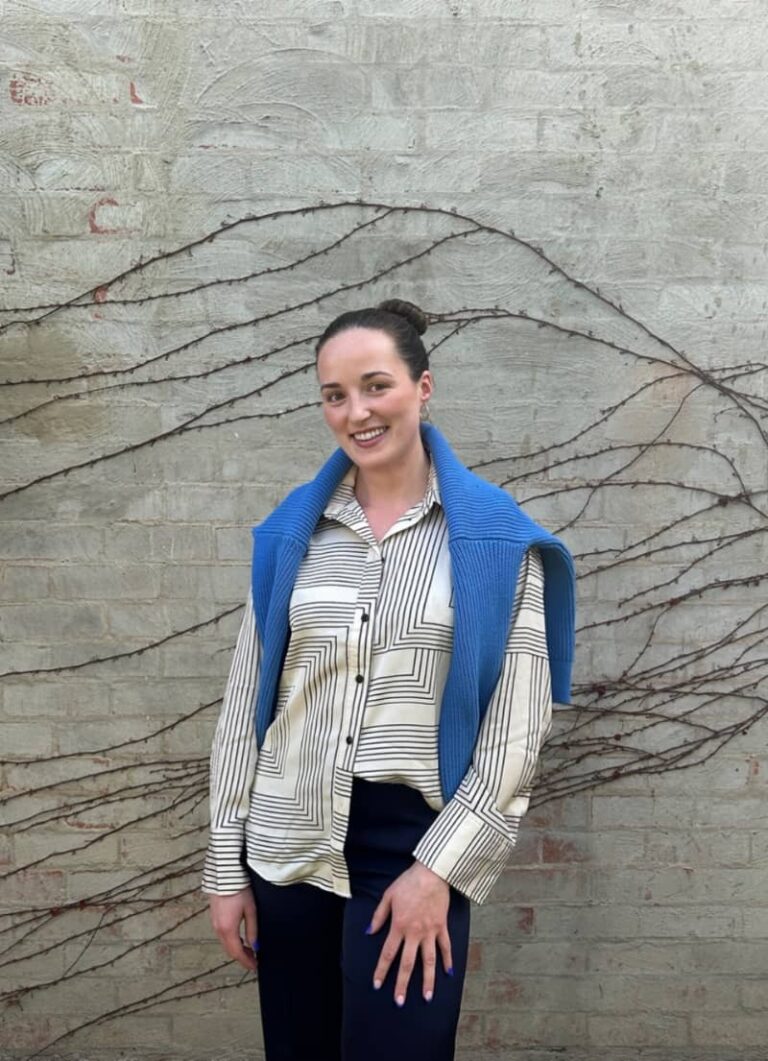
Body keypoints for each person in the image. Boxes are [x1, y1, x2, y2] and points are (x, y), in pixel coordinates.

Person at [201, 298, 576, 1061]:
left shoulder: (498, 542)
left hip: (410, 845)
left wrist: (438, 871)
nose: (357, 412)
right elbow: (245, 707)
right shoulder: (290, 537)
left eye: (376, 386)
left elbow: (516, 731)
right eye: (335, 395)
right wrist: (223, 866)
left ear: (423, 387)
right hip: (289, 840)